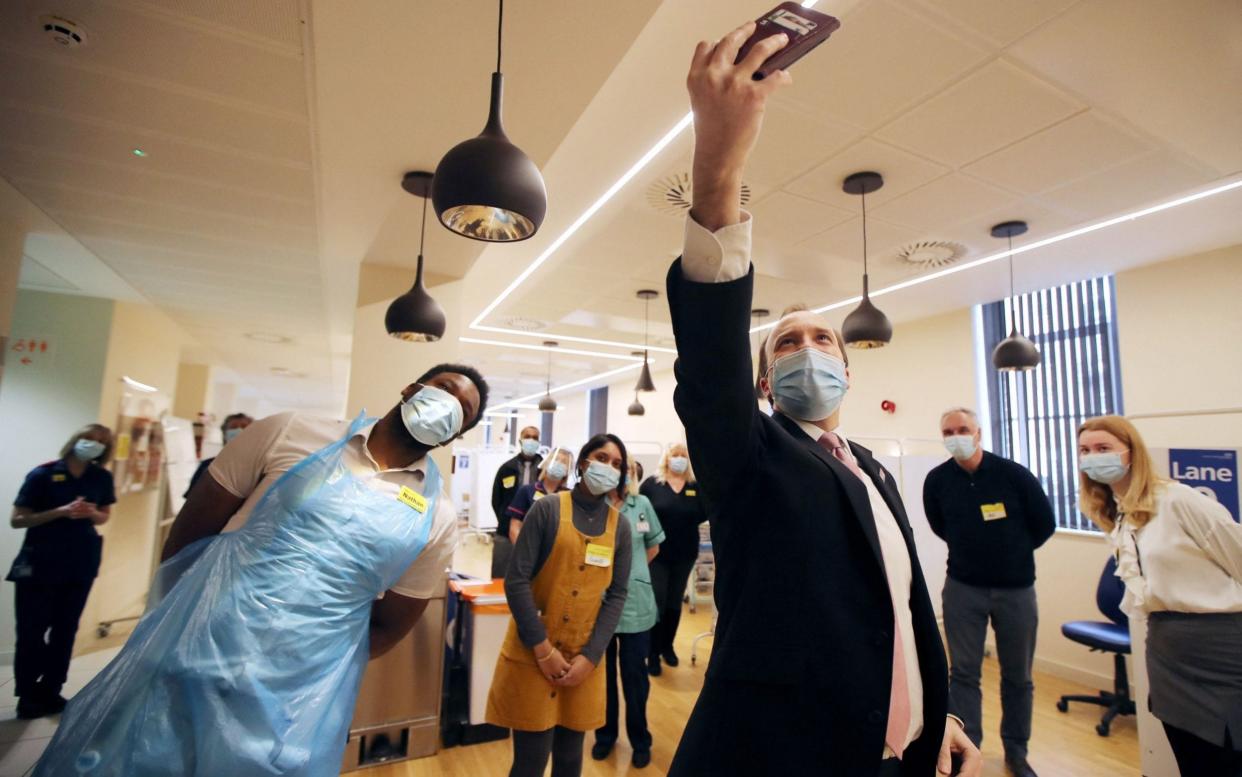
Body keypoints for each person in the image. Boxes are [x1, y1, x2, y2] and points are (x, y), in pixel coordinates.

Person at [663, 24, 980, 776]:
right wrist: (719, 167)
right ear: (765, 382)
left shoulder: (869, 469)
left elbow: (898, 611)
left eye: (825, 338)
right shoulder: (750, 454)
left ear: (850, 368)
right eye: (786, 342)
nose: (810, 347)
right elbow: (711, 370)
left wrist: (937, 716)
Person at [32, 365, 487, 776]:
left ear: (455, 434)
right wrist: (184, 628)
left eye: (462, 411)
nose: (448, 406)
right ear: (411, 388)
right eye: (444, 389)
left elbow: (391, 624)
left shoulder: (436, 515)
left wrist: (311, 664)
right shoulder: (291, 432)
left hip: (293, 698)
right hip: (193, 652)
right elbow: (187, 541)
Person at [1078, 415, 1242, 777]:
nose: (1092, 457)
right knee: (1192, 760)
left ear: (1132, 453)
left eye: (1103, 448)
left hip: (1220, 651)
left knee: (1226, 761)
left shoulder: (1180, 500)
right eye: (1084, 451)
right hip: (1167, 653)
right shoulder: (1117, 514)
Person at [487, 434, 633, 777]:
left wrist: (592, 657)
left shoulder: (620, 527)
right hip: (534, 651)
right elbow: (517, 580)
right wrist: (542, 648)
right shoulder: (547, 509)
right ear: (583, 463)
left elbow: (617, 595)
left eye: (617, 464)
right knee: (530, 760)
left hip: (583, 657)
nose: (608, 467)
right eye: (601, 457)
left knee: (569, 759)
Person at [923, 408, 1056, 777]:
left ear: (978, 432)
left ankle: (1016, 751)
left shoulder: (1012, 475)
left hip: (1016, 590)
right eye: (948, 430)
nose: (956, 435)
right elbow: (939, 525)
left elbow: (1044, 523)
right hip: (963, 588)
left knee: (1018, 676)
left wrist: (1010, 553)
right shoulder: (937, 481)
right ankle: (970, 748)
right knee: (964, 673)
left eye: (962, 429)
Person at [7, 424, 115, 720]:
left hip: (80, 562)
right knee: (31, 631)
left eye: (100, 443)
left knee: (65, 630)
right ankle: (27, 693)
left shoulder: (101, 477)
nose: (92, 445)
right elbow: (17, 519)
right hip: (40, 563)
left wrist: (90, 513)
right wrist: (60, 511)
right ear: (76, 440)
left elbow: (104, 515)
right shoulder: (42, 475)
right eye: (88, 440)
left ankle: (52, 689)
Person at [594, 460, 664, 767]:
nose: (614, 470)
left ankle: (640, 739)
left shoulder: (642, 504)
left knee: (636, 678)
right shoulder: (593, 505)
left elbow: (653, 546)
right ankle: (604, 736)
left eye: (620, 464)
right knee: (602, 677)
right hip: (598, 603)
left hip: (636, 603)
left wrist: (632, 572)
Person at [640, 443, 705, 675]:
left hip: (685, 553)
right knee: (658, 601)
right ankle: (653, 652)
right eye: (675, 455)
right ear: (667, 459)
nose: (679, 459)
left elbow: (704, 512)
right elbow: (641, 512)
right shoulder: (652, 484)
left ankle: (668, 646)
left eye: (683, 456)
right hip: (657, 554)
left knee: (674, 603)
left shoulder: (695, 486)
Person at [492, 426, 544, 577]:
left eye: (535, 437)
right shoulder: (507, 468)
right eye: (528, 436)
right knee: (501, 575)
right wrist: (505, 519)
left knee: (531, 577)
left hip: (536, 533)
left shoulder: (544, 469)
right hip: (505, 533)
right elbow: (496, 499)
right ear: (520, 440)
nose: (531, 440)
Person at [505, 447, 574, 545]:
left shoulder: (570, 497)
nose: (558, 464)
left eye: (563, 462)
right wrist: (521, 552)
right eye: (555, 459)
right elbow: (515, 526)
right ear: (546, 463)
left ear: (568, 470)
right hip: (529, 548)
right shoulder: (527, 491)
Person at [184, 412, 252, 496]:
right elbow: (191, 498)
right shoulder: (207, 465)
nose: (239, 430)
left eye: (244, 427)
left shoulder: (256, 469)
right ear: (224, 434)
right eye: (233, 427)